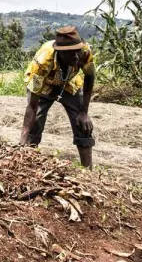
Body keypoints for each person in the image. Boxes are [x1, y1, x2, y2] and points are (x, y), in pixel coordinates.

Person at [19, 26, 96, 168]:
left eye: (76, 51)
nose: (75, 56)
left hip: (69, 83)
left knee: (83, 124)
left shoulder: (84, 52)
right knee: (35, 122)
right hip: (45, 84)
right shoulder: (41, 64)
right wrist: (23, 139)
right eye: (70, 53)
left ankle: (88, 171)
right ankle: (27, 161)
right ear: (59, 52)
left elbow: (90, 77)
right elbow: (32, 106)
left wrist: (84, 112)